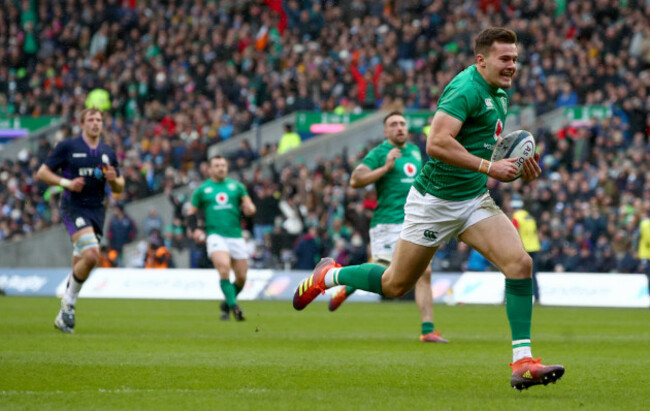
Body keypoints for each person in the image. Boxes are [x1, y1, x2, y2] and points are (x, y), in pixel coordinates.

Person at [293, 27, 564, 390]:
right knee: (394, 284)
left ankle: (522, 362)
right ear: (480, 60)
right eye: (505, 59)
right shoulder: (465, 88)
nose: (512, 65)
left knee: (520, 263)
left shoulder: (499, 92)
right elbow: (436, 143)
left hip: (472, 200)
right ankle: (329, 275)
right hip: (434, 204)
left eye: (515, 59)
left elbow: (483, 148)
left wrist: (516, 169)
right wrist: (490, 168)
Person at [328, 111, 447, 343]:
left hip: (413, 220)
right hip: (386, 222)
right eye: (393, 124)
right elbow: (355, 180)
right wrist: (385, 168)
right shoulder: (380, 152)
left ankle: (428, 330)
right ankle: (347, 284)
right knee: (383, 272)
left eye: (402, 123)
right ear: (386, 132)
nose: (400, 127)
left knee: (425, 272)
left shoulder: (414, 151)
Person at [37, 108, 124, 333]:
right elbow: (42, 173)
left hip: (97, 211)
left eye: (99, 120)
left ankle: (62, 316)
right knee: (92, 255)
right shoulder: (68, 147)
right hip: (73, 207)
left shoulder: (107, 152)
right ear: (82, 123)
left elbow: (119, 186)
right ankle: (69, 305)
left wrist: (115, 182)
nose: (96, 123)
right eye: (91, 120)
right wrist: (66, 184)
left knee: (80, 263)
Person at [187, 155, 256, 321]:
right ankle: (235, 307)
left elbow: (250, 207)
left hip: (236, 236)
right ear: (209, 169)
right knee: (224, 269)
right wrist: (195, 230)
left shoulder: (237, 187)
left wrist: (250, 209)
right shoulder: (203, 190)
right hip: (215, 235)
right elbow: (191, 213)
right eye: (217, 165)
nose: (221, 168)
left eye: (223, 165)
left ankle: (226, 302)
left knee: (241, 278)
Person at [510, 197, 541, 301]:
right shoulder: (529, 216)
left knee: (514, 273)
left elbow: (515, 233)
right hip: (535, 248)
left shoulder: (515, 217)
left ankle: (512, 296)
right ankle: (537, 297)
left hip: (523, 249)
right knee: (533, 274)